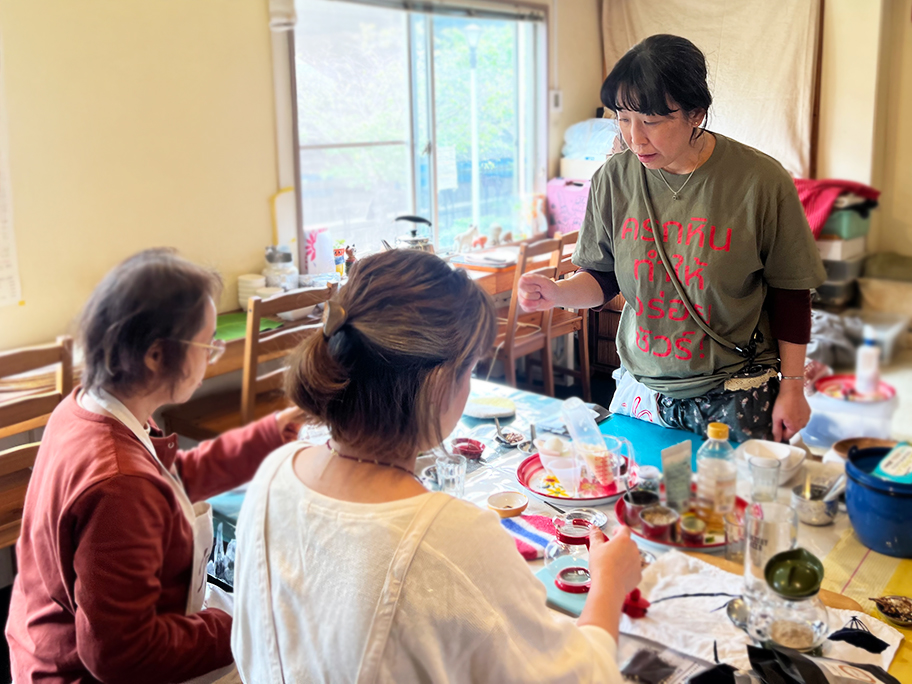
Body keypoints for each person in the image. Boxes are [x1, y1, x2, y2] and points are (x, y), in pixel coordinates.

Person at [231, 249, 642, 683]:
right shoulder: (453, 537)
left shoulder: (275, 472)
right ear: (439, 383)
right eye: (470, 371)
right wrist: (609, 586)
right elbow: (583, 677)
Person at [6, 249, 303, 684]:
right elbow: (123, 654)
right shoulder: (120, 483)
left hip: (42, 637)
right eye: (207, 343)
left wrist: (273, 431)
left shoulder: (91, 407)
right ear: (155, 356)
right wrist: (247, 622)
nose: (214, 355)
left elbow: (173, 481)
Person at [519, 34, 826, 444]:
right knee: (633, 503)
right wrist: (555, 293)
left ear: (695, 114)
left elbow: (791, 291)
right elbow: (602, 278)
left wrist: (792, 388)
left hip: (734, 392)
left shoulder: (760, 181)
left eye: (651, 121)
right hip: (643, 389)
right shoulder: (614, 178)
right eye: (623, 118)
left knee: (728, 507)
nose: (634, 138)